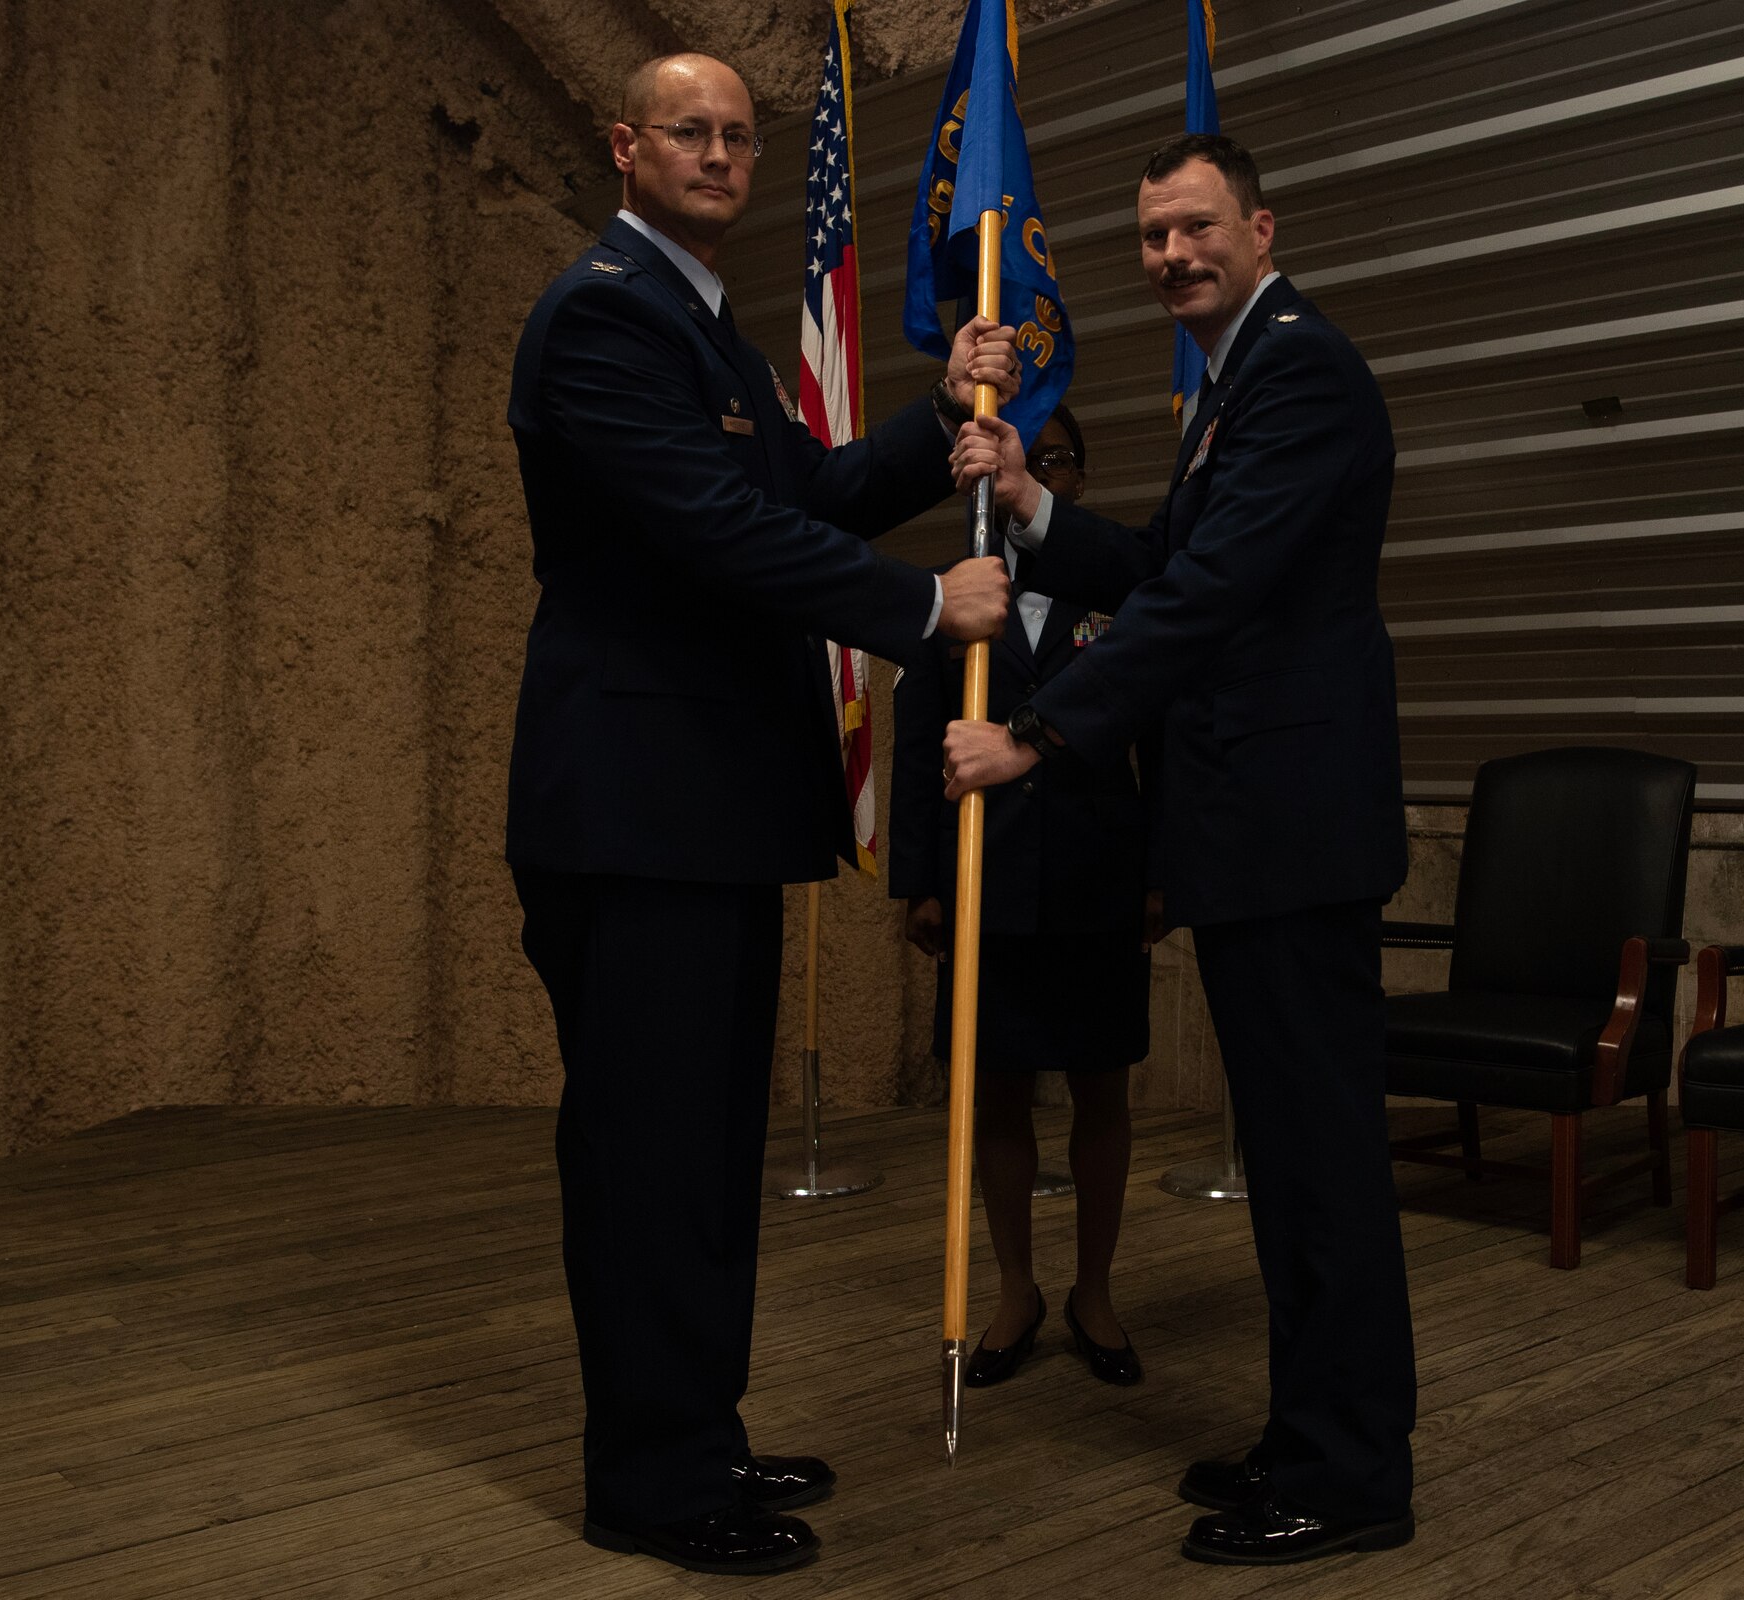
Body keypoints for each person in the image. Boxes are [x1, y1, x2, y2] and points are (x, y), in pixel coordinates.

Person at [505, 52, 1017, 1578]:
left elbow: (809, 490)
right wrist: (929, 605)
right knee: (650, 1158)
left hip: (704, 815)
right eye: (692, 131)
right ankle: (651, 1485)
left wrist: (944, 416)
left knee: (704, 1152)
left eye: (739, 134)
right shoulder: (602, 312)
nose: (722, 153)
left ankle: (698, 1438)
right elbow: (721, 532)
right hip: (635, 814)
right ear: (627, 146)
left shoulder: (697, 319)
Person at [944, 132, 1417, 1568]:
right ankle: (1313, 1434)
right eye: (1152, 237)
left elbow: (1208, 597)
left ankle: (1349, 1477)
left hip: (1293, 832)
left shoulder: (1300, 369)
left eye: (1197, 228)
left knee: (1320, 1159)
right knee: (1290, 1156)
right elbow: (1161, 568)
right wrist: (1031, 506)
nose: (1172, 257)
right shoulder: (1240, 379)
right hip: (1258, 835)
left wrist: (1039, 737)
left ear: (1263, 228)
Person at [888, 405, 1156, 1390]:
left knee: (1100, 1085)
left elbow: (1156, 733)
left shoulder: (1122, 589)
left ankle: (1093, 1288)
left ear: (1074, 477)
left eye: (1048, 461)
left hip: (1097, 872)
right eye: (1010, 457)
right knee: (993, 1087)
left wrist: (1161, 870)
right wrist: (915, 880)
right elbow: (919, 732)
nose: (1028, 473)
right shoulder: (957, 586)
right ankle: (1014, 1288)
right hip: (982, 875)